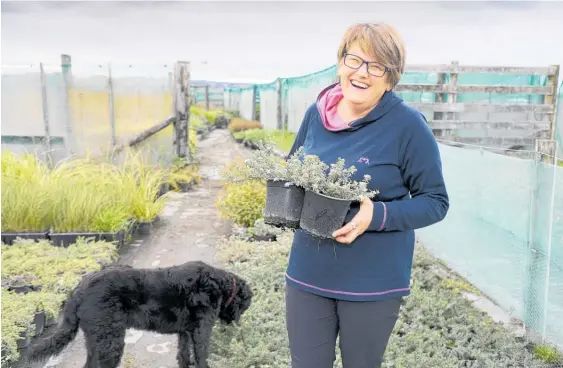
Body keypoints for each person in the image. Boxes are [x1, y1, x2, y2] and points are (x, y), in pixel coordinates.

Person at [284, 23, 450, 368]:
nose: (362, 73)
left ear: (391, 77)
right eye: (355, 60)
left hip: (371, 281)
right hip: (307, 273)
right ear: (340, 62)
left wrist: (375, 215)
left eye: (377, 67)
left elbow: (435, 201)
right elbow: (293, 171)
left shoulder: (407, 125)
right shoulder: (315, 114)